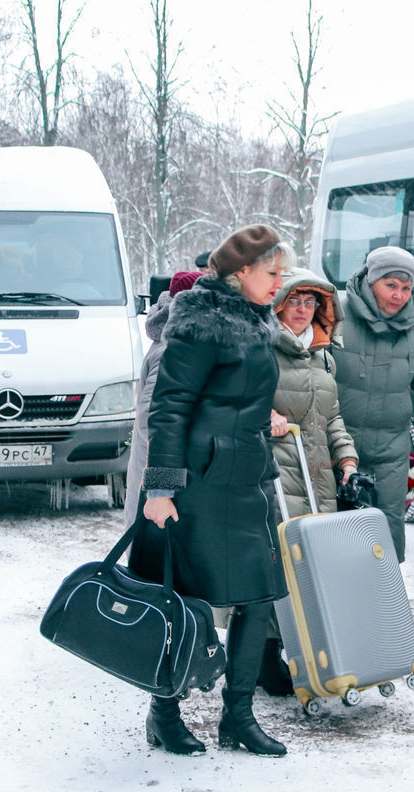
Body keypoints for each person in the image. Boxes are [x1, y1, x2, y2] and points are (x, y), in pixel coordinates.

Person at [140, 224, 294, 757]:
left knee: (259, 594)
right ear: (242, 272)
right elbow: (170, 406)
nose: (280, 283)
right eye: (272, 273)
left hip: (249, 476)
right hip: (200, 482)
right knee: (188, 601)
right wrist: (160, 488)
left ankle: (238, 717)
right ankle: (164, 713)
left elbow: (237, 396)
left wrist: (263, 416)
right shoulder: (200, 321)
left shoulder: (258, 321)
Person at [261, 268, 359, 695]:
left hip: (317, 473)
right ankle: (267, 659)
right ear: (280, 303)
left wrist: (348, 459)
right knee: (280, 564)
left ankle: (315, 653)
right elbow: (239, 399)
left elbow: (332, 416)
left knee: (315, 567)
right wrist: (266, 415)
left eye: (311, 303)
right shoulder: (264, 349)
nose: (303, 311)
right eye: (295, 301)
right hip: (280, 473)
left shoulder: (321, 354)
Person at [334, 246, 414, 561]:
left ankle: (381, 604)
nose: (399, 295)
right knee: (333, 535)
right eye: (391, 285)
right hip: (337, 448)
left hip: (391, 452)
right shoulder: (336, 315)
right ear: (371, 281)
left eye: (406, 288)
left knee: (385, 539)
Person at [123, 270, 202, 525]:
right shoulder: (172, 349)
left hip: (160, 475)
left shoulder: (174, 340)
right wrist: (162, 488)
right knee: (155, 553)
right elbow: (153, 422)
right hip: (158, 484)